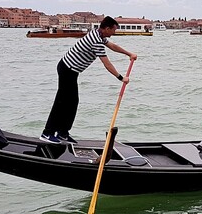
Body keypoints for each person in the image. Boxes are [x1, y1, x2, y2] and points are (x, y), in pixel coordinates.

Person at [40, 16, 137, 144]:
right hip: (67, 69)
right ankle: (47, 133)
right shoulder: (96, 40)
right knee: (62, 102)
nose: (114, 33)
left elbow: (112, 46)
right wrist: (121, 78)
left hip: (72, 71)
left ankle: (63, 133)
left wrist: (128, 53)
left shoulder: (99, 35)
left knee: (72, 102)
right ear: (107, 28)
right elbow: (107, 64)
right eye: (113, 30)